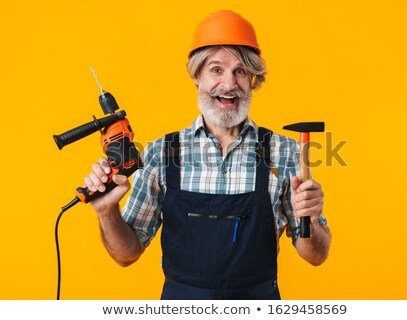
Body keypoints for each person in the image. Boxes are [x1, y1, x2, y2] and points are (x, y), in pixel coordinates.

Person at [84, 10, 331, 300]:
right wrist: (106, 212)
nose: (228, 85)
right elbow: (126, 254)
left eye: (240, 71)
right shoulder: (160, 153)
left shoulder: (286, 153)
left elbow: (315, 255)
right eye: (216, 69)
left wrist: (311, 220)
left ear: (252, 79)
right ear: (196, 76)